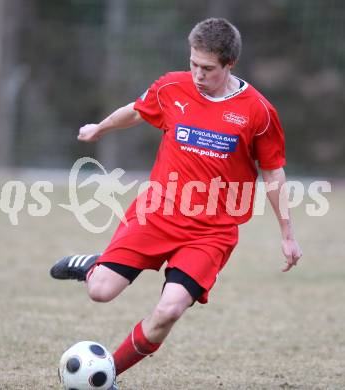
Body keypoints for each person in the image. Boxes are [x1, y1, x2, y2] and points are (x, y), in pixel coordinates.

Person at [50, 18, 302, 388]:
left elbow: (274, 173)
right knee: (100, 292)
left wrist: (287, 234)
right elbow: (137, 110)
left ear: (229, 64)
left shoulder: (258, 112)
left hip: (211, 231)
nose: (198, 74)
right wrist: (100, 128)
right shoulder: (172, 86)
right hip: (158, 213)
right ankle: (93, 266)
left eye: (208, 68)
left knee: (168, 311)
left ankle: (106, 377)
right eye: (193, 64)